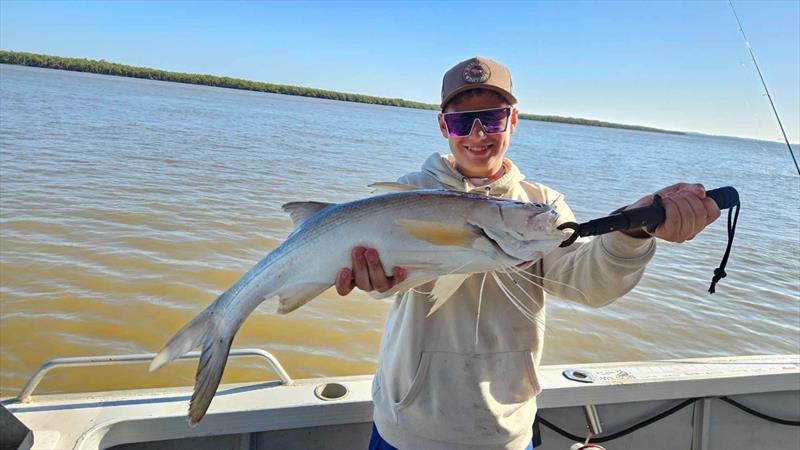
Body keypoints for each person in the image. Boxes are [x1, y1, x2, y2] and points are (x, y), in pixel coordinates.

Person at [335, 56, 721, 450]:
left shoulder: (541, 208)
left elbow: (588, 284)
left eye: (493, 118)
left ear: (514, 120)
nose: (478, 134)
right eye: (461, 122)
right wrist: (376, 282)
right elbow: (388, 285)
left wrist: (632, 231)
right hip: (407, 427)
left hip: (504, 431)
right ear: (442, 126)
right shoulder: (410, 195)